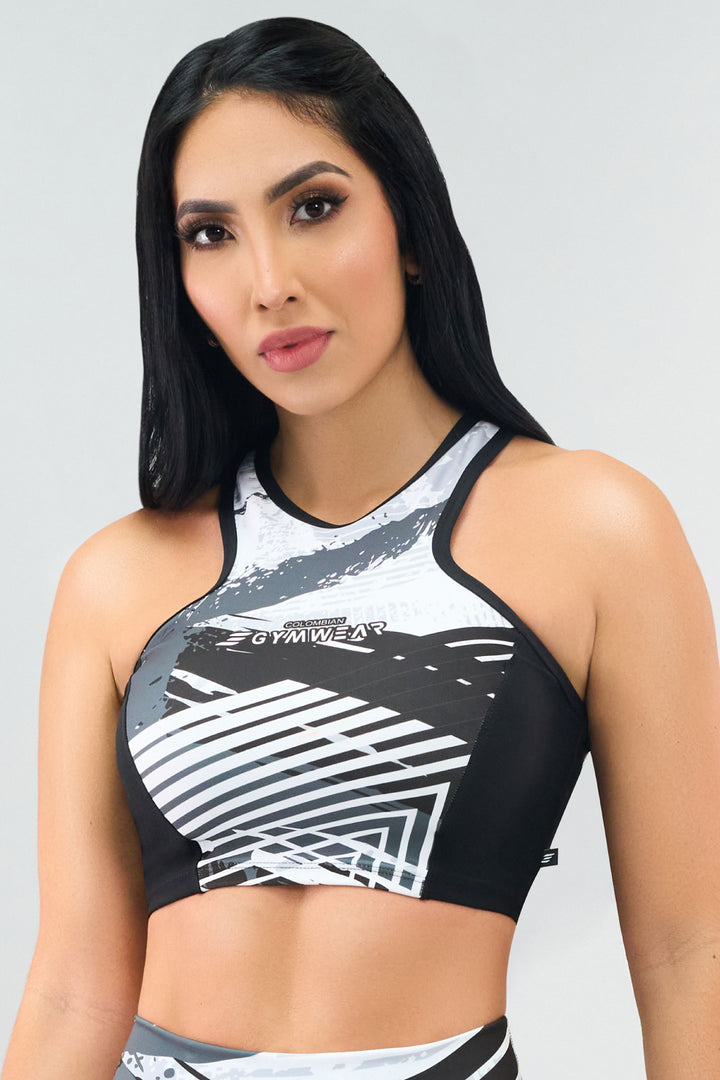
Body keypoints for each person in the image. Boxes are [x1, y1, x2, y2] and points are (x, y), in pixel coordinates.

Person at [3, 15, 719, 1080]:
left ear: (410, 227)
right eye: (211, 233)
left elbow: (689, 953)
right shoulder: (119, 580)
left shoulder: (595, 531)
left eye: (313, 207)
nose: (268, 282)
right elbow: (72, 991)